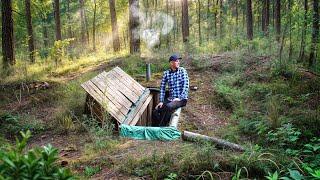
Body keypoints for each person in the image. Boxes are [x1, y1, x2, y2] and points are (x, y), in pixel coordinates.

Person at [153, 54, 189, 126]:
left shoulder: (182, 71)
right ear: (171, 63)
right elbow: (162, 88)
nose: (178, 62)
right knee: (156, 110)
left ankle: (161, 126)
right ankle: (160, 124)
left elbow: (186, 86)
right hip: (171, 99)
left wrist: (179, 98)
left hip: (181, 99)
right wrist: (161, 101)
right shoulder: (166, 73)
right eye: (176, 61)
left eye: (179, 61)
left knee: (168, 106)